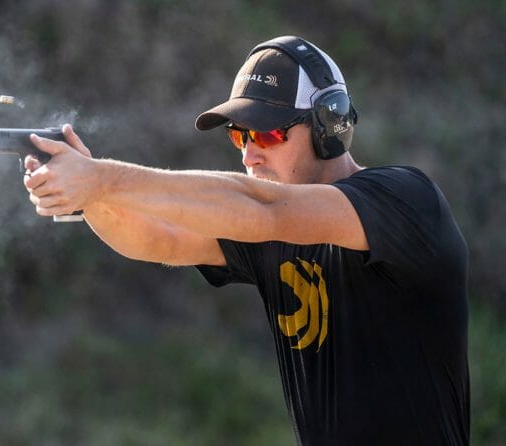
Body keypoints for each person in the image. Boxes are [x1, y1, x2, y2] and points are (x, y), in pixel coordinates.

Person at [23, 35, 470, 446]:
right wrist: (89, 194)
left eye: (269, 133)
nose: (248, 152)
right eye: (239, 133)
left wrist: (102, 176)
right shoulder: (268, 224)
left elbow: (265, 208)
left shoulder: (406, 199)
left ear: (328, 127)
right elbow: (160, 239)